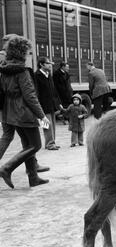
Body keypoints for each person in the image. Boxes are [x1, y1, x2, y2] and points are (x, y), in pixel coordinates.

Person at [0, 35, 50, 188]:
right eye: (27, 52)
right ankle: (7, 168)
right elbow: (30, 96)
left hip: (9, 112)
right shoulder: (22, 71)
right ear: (21, 53)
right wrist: (41, 115)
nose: (29, 55)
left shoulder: (4, 67)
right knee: (35, 145)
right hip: (23, 112)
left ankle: (33, 178)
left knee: (27, 143)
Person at [35, 57, 61, 151]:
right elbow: (36, 92)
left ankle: (51, 142)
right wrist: (37, 106)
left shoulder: (48, 74)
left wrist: (58, 103)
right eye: (47, 63)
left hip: (51, 104)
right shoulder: (36, 75)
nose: (50, 65)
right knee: (47, 124)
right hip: (43, 105)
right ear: (41, 64)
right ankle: (50, 144)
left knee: (53, 124)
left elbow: (53, 90)